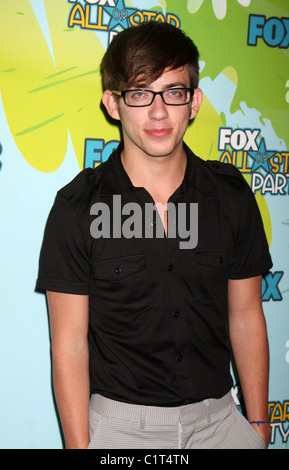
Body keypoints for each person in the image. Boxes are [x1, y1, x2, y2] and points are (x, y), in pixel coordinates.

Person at [36, 21, 272, 449]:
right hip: (119, 433)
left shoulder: (231, 196)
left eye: (173, 93)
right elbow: (68, 345)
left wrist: (256, 426)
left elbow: (246, 315)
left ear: (194, 102)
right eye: (140, 94)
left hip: (222, 427)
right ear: (113, 104)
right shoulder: (77, 208)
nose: (159, 112)